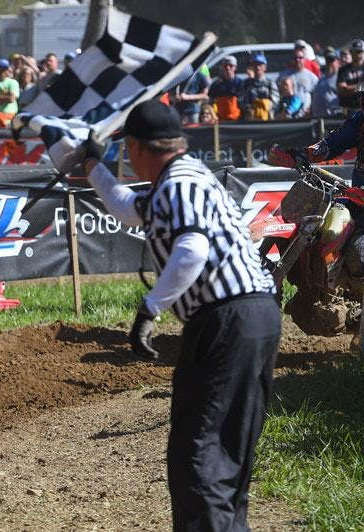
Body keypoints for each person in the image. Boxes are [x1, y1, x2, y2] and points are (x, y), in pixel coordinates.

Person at [83, 99, 279, 531]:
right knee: (227, 449)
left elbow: (192, 250)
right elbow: (123, 205)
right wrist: (91, 163)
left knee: (199, 454)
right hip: (251, 316)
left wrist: (150, 309)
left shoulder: (177, 185)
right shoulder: (182, 179)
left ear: (135, 147)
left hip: (227, 319)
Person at [270, 81, 364, 187]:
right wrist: (304, 154)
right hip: (360, 185)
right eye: (362, 97)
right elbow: (332, 142)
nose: (362, 101)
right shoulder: (358, 120)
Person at [239, 53, 278, 121]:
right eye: (255, 65)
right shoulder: (246, 83)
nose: (257, 67)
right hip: (250, 119)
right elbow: (240, 100)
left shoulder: (270, 83)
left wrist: (263, 106)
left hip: (267, 119)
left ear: (265, 67)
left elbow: (275, 101)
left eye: (260, 65)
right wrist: (249, 108)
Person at [208, 55, 244, 121]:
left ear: (235, 67)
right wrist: (213, 115)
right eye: (225, 66)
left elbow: (244, 103)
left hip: (238, 119)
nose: (228, 68)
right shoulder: (217, 84)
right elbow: (210, 103)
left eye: (231, 65)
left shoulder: (240, 83)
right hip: (221, 120)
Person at [312, 48, 342, 117]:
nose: (329, 63)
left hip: (333, 118)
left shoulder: (341, 78)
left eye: (332, 60)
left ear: (338, 62)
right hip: (319, 119)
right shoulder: (321, 79)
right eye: (328, 60)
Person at [337, 39, 364, 115]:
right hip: (348, 110)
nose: (357, 54)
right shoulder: (343, 70)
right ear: (351, 52)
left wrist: (350, 88)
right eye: (355, 51)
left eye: (360, 51)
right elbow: (342, 89)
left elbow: (346, 88)